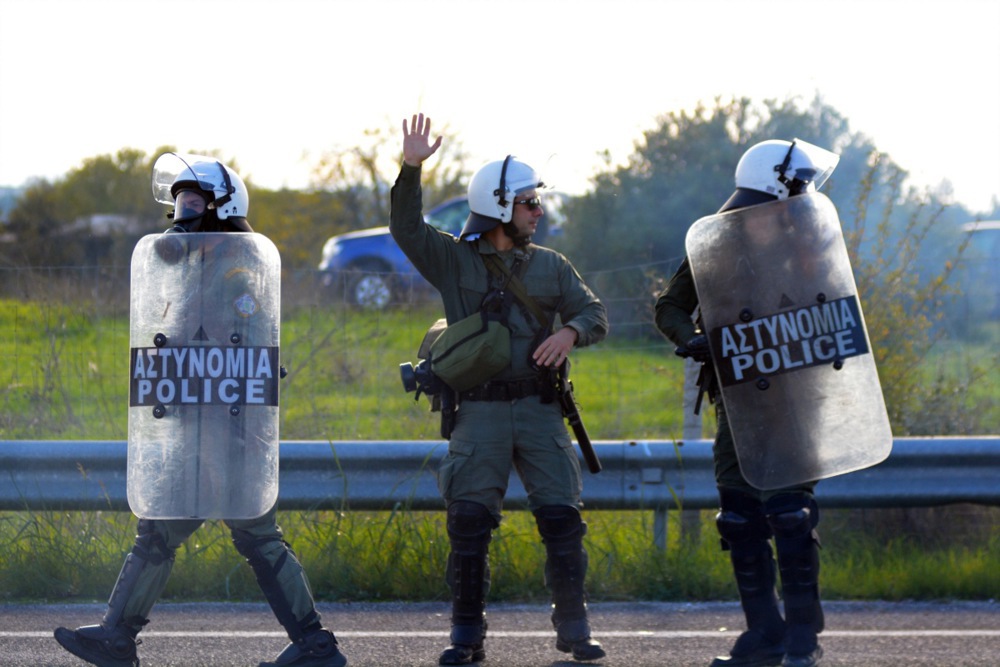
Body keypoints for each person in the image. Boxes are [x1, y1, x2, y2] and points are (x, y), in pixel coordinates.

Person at [54, 155, 347, 667]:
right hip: (199, 425)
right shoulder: (197, 273)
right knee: (163, 526)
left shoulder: (235, 275)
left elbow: (252, 346)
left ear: (220, 209)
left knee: (252, 533)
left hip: (227, 430)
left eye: (191, 202)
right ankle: (117, 637)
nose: (179, 213)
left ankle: (314, 646)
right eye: (178, 201)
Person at [391, 114, 609, 665]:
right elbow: (407, 231)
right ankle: (466, 637)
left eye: (537, 202)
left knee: (562, 519)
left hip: (540, 409)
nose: (539, 211)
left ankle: (574, 628)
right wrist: (410, 168)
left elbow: (594, 313)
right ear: (498, 206)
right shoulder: (454, 259)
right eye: (530, 202)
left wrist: (570, 330)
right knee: (468, 525)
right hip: (480, 412)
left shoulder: (552, 267)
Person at [655, 139, 840, 667]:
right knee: (739, 520)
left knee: (789, 514)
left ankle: (804, 635)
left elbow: (835, 307)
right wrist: (689, 337)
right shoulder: (713, 244)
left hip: (797, 402)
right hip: (736, 405)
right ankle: (764, 635)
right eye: (799, 183)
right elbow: (669, 306)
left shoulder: (807, 240)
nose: (806, 192)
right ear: (775, 184)